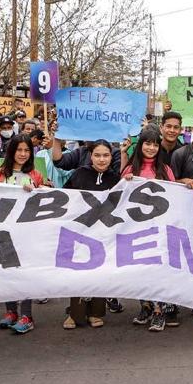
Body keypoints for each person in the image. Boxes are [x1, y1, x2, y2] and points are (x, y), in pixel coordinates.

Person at [121, 128, 180, 332]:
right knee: (139, 270)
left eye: (155, 144)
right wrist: (125, 182)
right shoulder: (130, 170)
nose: (151, 148)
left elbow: (175, 198)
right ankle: (145, 306)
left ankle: (158, 311)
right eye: (147, 143)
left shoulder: (166, 170)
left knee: (157, 272)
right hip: (135, 229)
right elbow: (119, 199)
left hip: (159, 229)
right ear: (141, 145)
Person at [63, 140, 120, 330]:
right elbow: (64, 198)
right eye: (97, 155)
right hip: (80, 231)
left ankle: (96, 312)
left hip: (105, 233)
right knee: (78, 271)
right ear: (90, 156)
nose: (102, 159)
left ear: (111, 157)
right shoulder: (79, 174)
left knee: (100, 272)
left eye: (106, 155)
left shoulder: (116, 179)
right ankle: (75, 313)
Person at [0, 135, 44, 334]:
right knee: (7, 270)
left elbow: (45, 199)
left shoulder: (36, 175)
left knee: (26, 272)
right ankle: (11, 311)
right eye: (19, 150)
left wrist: (39, 189)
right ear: (11, 151)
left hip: (28, 232)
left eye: (27, 150)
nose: (22, 154)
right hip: (5, 229)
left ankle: (27, 315)